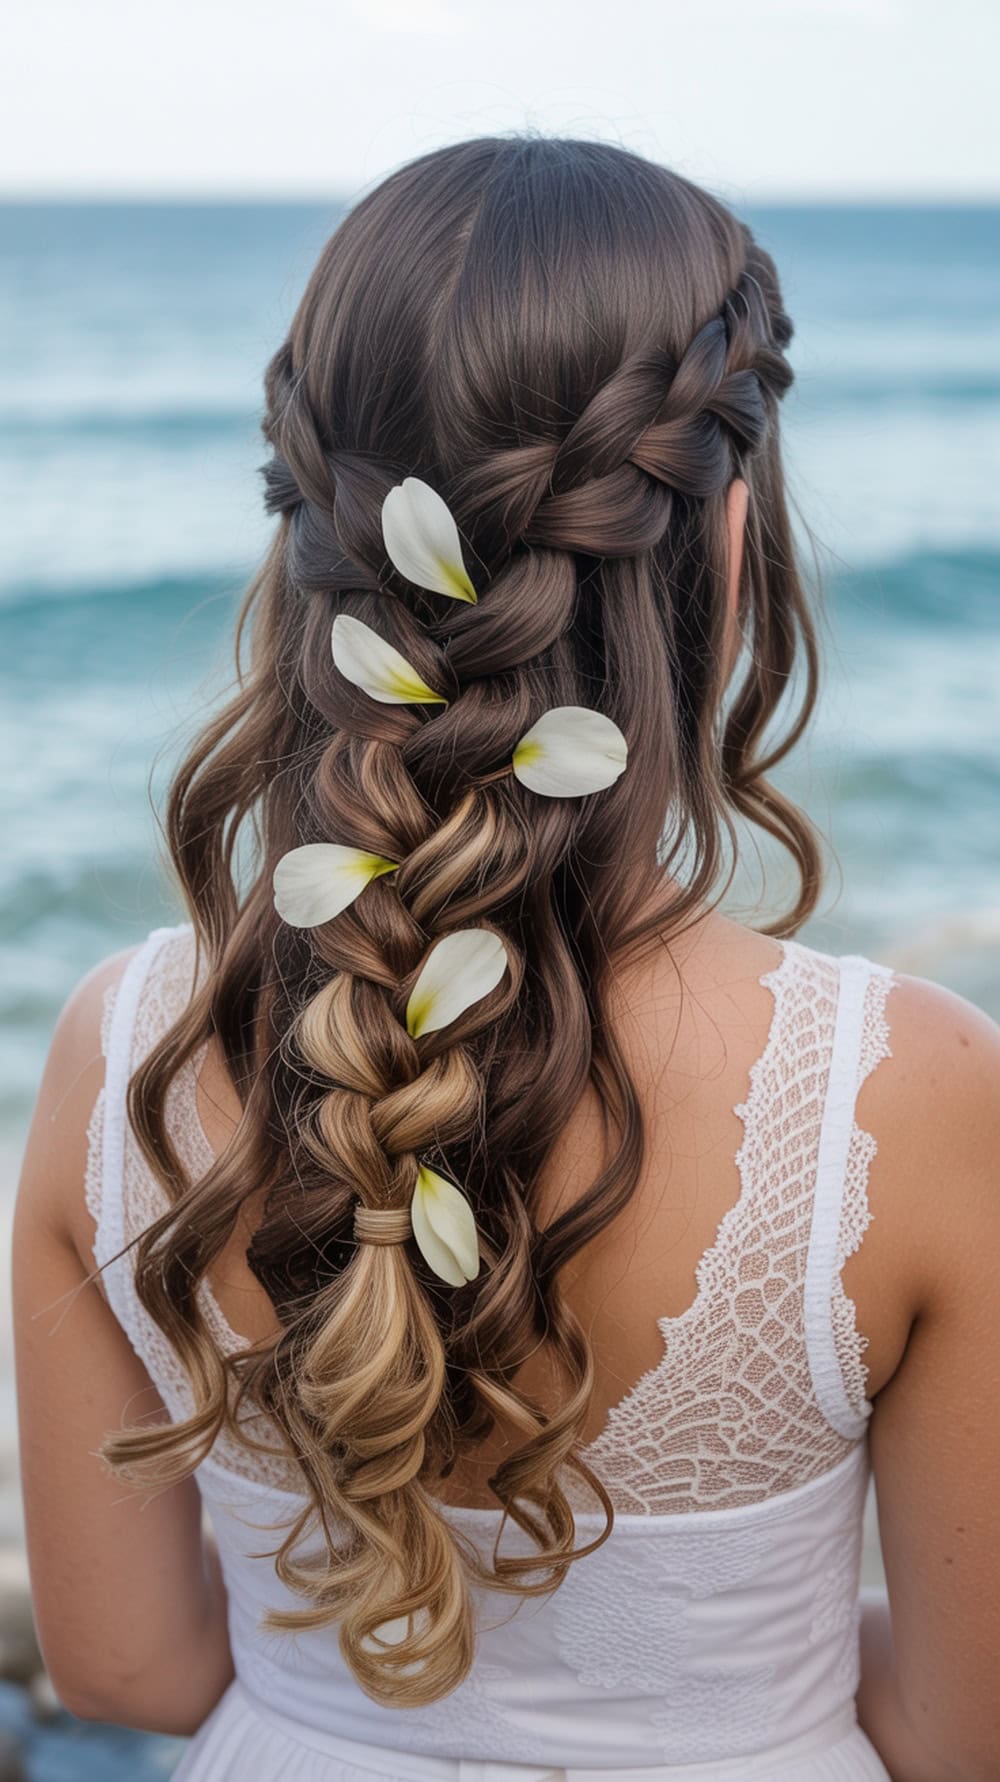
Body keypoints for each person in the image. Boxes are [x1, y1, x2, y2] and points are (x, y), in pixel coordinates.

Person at [11, 135, 1000, 1782]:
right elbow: (964, 1728)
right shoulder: (911, 1100)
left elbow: (122, 1663)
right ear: (732, 541)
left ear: (310, 548)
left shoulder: (124, 1052)